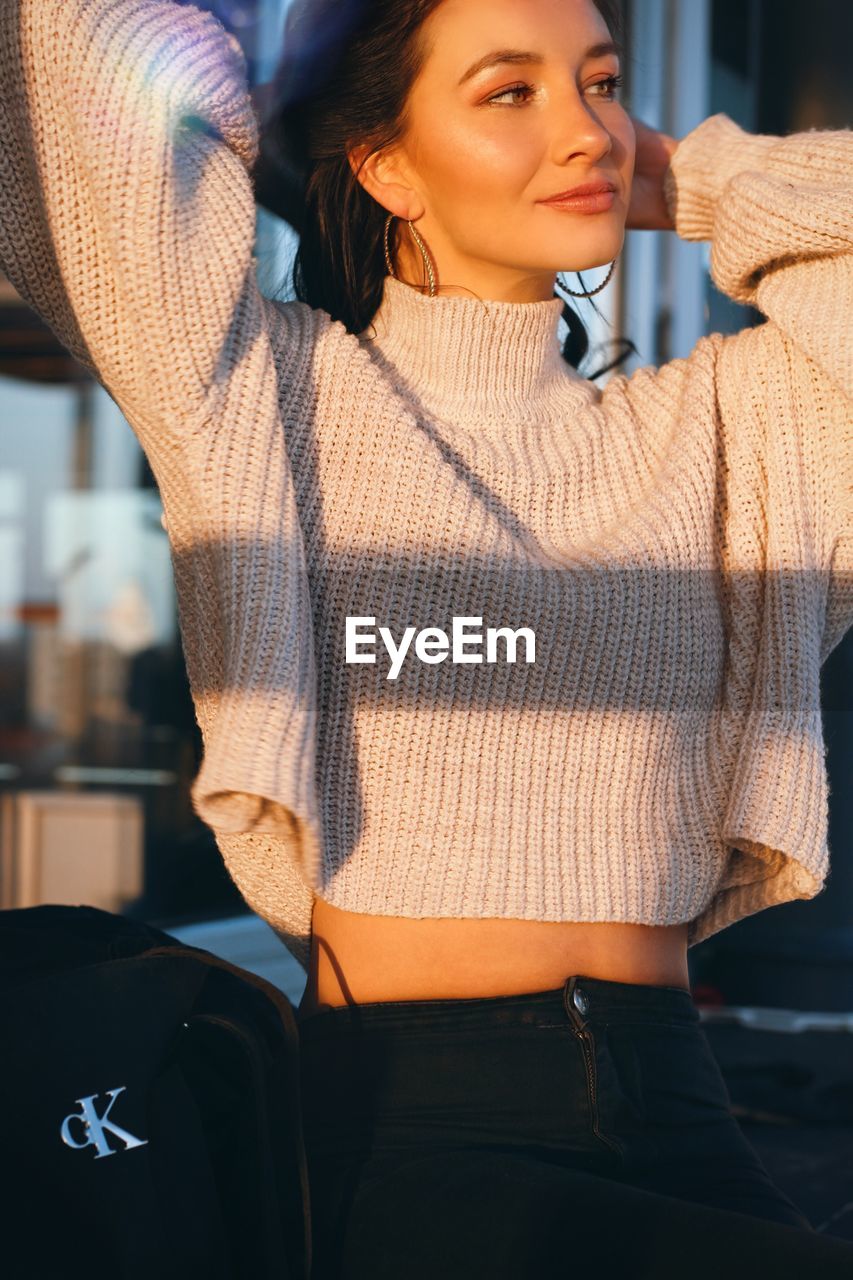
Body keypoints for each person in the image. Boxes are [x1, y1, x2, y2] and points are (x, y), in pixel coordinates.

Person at [1, 0, 851, 1276]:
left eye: (602, 84)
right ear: (385, 164)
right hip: (409, 1125)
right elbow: (67, 78)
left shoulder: (732, 431)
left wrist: (692, 176)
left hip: (682, 1099)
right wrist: (229, 81)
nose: (583, 130)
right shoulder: (263, 395)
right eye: (510, 93)